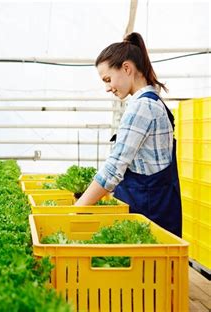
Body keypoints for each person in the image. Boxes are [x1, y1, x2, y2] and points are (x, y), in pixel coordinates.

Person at [75, 32, 182, 237]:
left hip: (148, 216)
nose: (107, 88)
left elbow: (114, 168)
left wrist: (77, 209)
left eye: (108, 79)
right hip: (158, 210)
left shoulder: (142, 107)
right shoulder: (154, 101)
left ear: (126, 68)